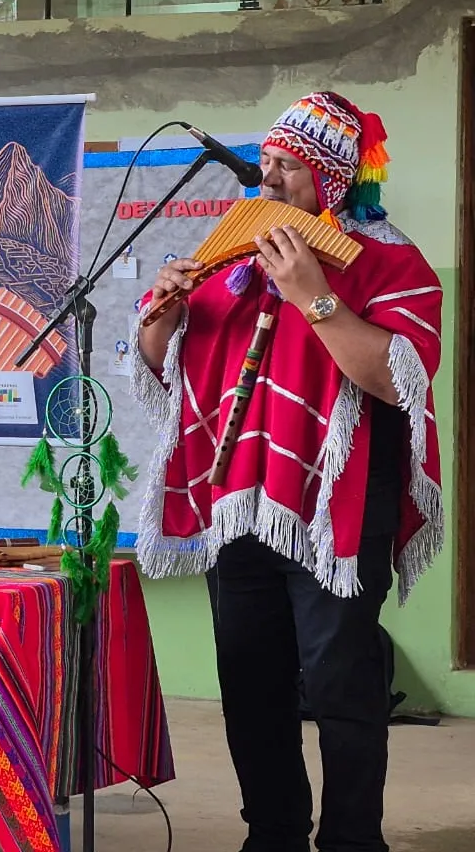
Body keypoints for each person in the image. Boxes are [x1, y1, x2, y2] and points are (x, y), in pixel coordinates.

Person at [130, 91, 443, 852]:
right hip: (239, 501)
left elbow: (398, 379)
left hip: (338, 502)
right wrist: (163, 318)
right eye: (263, 164)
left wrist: (314, 296)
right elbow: (166, 374)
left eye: (285, 169)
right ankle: (271, 833)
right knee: (249, 684)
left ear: (330, 182)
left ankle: (350, 840)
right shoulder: (232, 260)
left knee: (340, 684)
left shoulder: (389, 260)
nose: (264, 182)